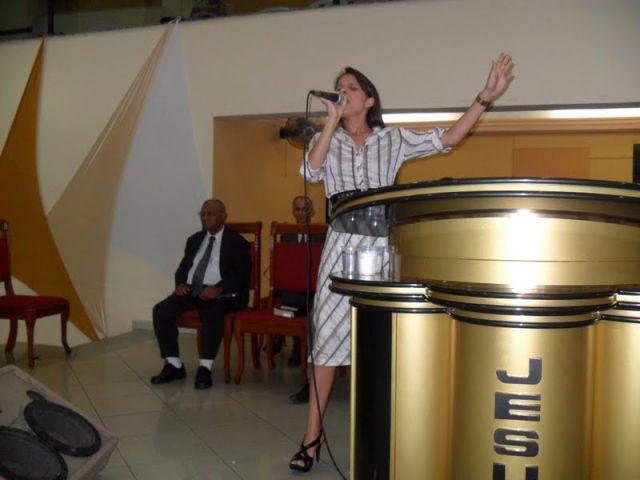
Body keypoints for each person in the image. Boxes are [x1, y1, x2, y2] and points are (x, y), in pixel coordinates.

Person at [289, 54, 514, 472]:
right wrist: (331, 123)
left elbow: (447, 139)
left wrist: (485, 97)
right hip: (340, 244)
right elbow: (311, 172)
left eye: (351, 87)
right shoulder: (328, 138)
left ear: (370, 100)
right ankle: (311, 438)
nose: (343, 92)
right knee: (326, 343)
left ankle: (385, 434)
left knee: (380, 342)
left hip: (380, 247)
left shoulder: (392, 139)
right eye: (339, 87)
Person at [151, 199, 251, 390]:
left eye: (210, 213)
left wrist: (219, 288)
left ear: (223, 216)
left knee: (212, 311)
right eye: (202, 214)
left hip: (223, 293)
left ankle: (205, 367)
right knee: (161, 310)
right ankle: (173, 364)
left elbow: (241, 274)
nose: (205, 217)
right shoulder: (194, 240)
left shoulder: (237, 242)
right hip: (194, 289)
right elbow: (183, 267)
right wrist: (180, 284)